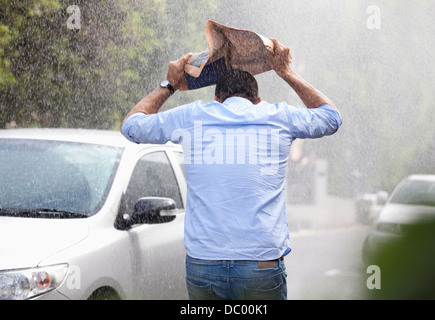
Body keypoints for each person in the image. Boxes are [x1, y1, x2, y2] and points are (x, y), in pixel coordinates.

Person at [121, 38, 342, 300]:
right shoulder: (279, 117)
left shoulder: (193, 117)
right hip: (261, 265)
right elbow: (331, 117)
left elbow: (131, 125)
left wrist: (170, 84)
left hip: (205, 265)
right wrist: (285, 72)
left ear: (217, 98)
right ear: (257, 100)